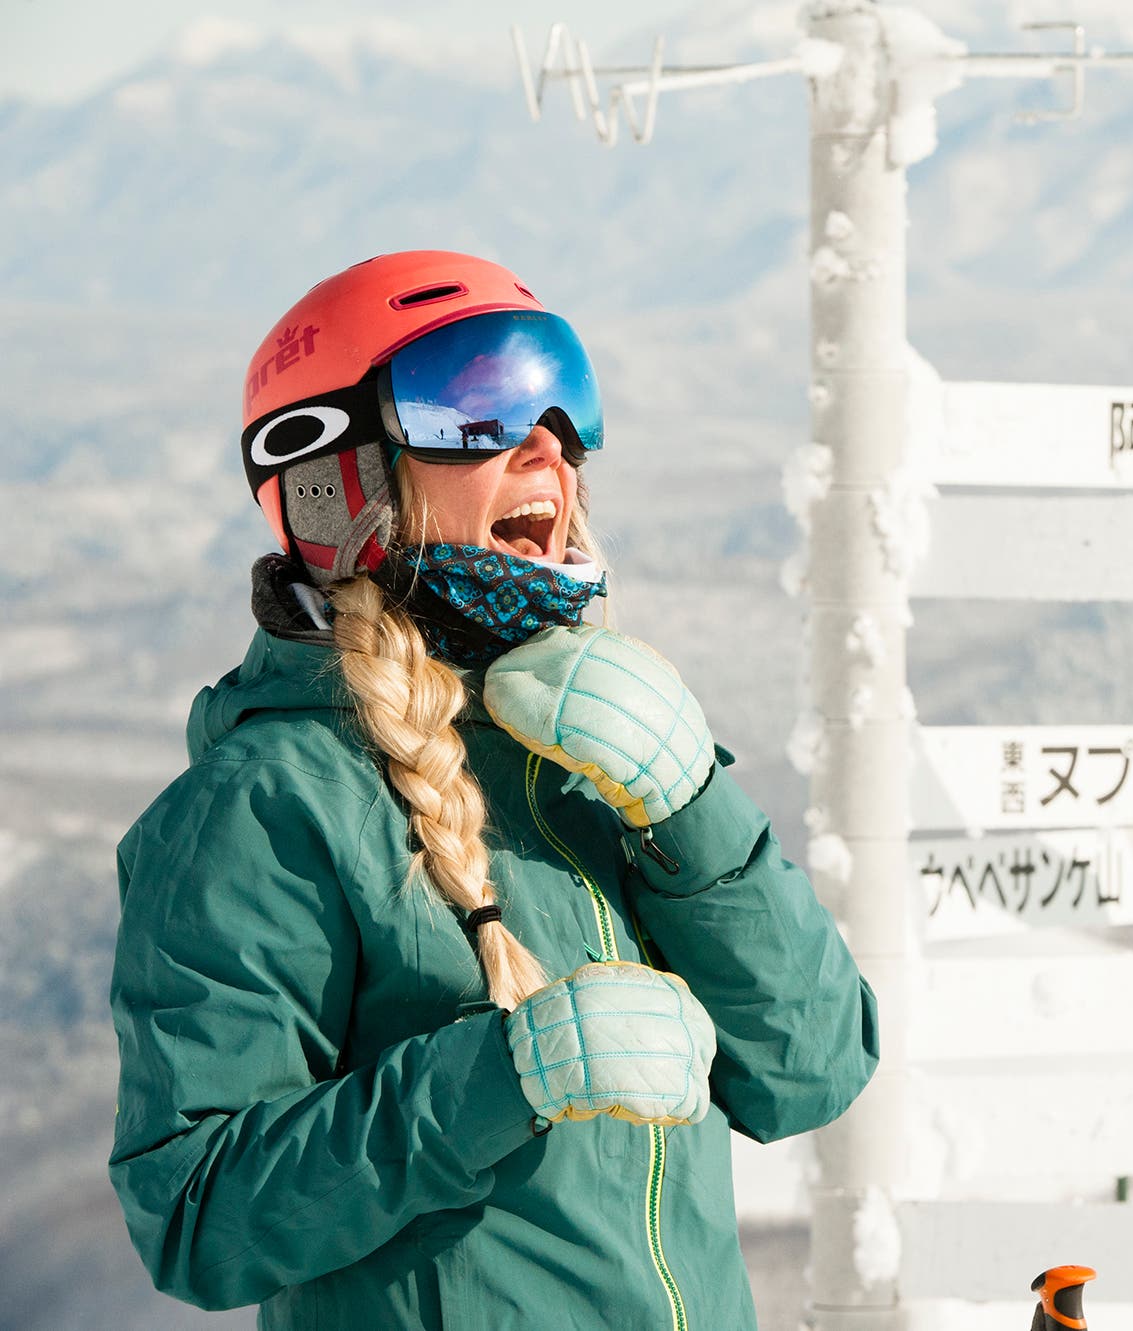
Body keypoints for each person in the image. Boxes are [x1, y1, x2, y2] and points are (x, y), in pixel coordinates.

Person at [107, 251, 879, 1329]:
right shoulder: (266, 801)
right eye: (472, 401)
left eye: (566, 403)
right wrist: (500, 1077)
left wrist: (692, 806)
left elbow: (810, 1066)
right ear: (335, 477)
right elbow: (194, 1213)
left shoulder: (599, 747)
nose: (544, 441)